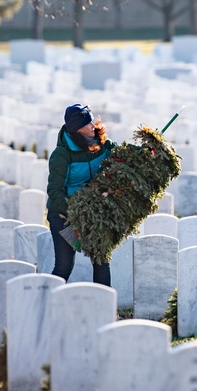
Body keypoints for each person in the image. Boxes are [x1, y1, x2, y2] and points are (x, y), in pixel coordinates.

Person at [46, 103, 116, 286]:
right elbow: (54, 191)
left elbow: (124, 156)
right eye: (88, 123)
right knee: (64, 265)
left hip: (93, 212)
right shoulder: (61, 154)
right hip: (63, 214)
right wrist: (75, 212)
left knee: (101, 261)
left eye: (92, 121)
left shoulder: (103, 144)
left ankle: (103, 309)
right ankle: (44, 307)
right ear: (77, 129)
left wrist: (146, 152)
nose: (93, 125)